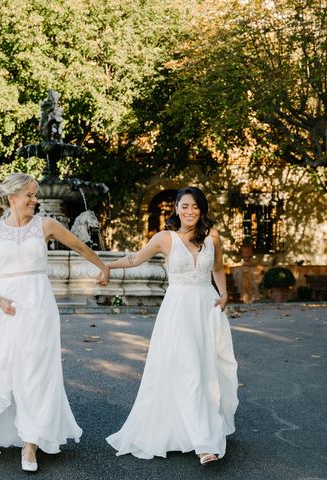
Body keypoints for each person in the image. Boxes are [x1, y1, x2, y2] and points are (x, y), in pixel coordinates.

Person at [0, 173, 110, 472]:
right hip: (6, 307)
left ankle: (30, 443)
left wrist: (103, 266)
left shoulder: (46, 225)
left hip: (39, 305)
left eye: (35, 194)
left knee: (36, 372)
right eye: (30, 195)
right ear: (13, 197)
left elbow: (80, 246)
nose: (35, 199)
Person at [105, 186, 239, 465]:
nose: (190, 212)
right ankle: (203, 443)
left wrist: (224, 294)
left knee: (206, 371)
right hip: (178, 309)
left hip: (206, 308)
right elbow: (135, 258)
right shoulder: (165, 238)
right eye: (185, 206)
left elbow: (217, 268)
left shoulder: (213, 237)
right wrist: (107, 267)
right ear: (176, 208)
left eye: (195, 207)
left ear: (202, 210)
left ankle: (199, 429)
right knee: (188, 369)